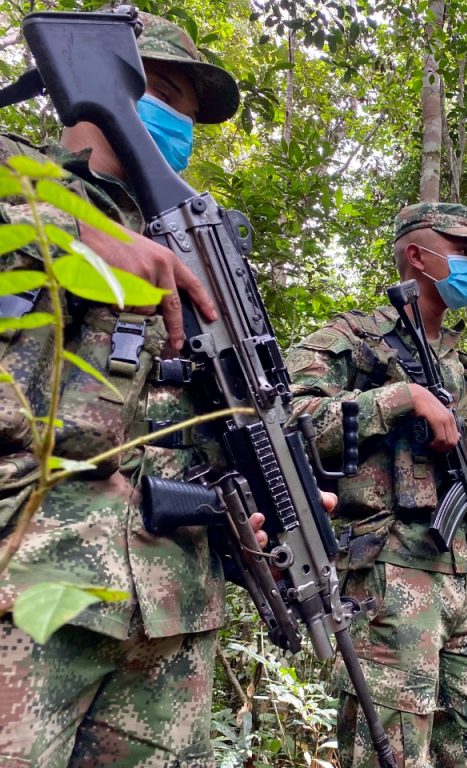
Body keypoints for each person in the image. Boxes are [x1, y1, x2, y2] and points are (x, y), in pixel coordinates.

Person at [0, 12, 253, 766]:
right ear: (95, 82)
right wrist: (77, 233)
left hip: (170, 610)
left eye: (190, 110)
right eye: (162, 93)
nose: (179, 121)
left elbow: (204, 418)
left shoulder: (200, 246)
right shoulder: (14, 166)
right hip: (30, 580)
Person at [285, 201, 467, 768]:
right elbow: (285, 421)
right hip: (388, 578)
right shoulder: (349, 339)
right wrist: (399, 399)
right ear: (417, 256)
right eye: (462, 251)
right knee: (393, 755)